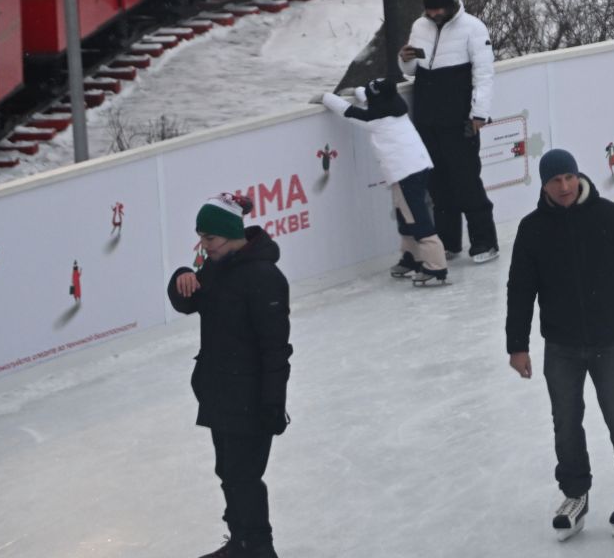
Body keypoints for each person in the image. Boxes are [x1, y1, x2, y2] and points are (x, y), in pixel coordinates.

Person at [505, 148, 614, 540]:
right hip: (561, 344)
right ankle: (575, 493)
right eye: (554, 181)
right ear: (544, 185)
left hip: (610, 339)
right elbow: (520, 289)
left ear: (578, 177)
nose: (563, 187)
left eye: (568, 178)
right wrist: (518, 344)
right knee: (565, 422)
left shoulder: (609, 217)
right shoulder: (532, 229)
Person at [169, 196, 292, 558]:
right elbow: (187, 302)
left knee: (244, 477)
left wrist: (273, 404)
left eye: (209, 239)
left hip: (251, 397)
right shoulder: (214, 267)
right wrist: (182, 277)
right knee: (228, 472)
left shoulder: (265, 278)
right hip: (219, 390)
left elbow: (275, 349)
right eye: (201, 239)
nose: (204, 247)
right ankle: (240, 541)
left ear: (230, 235)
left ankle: (259, 548)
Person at [402, 0, 499, 263]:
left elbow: (484, 74)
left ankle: (484, 242)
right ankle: (448, 242)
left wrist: (478, 114)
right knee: (438, 185)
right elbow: (410, 71)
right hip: (427, 117)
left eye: (438, 9)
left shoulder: (473, 28)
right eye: (429, 10)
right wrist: (404, 58)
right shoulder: (420, 26)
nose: (433, 15)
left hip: (460, 121)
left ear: (448, 4)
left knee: (467, 181)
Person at [322, 77, 446, 285]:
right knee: (404, 215)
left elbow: (349, 112)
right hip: (415, 168)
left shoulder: (376, 119)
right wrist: (361, 91)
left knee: (416, 217)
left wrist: (327, 98)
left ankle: (436, 266)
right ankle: (412, 258)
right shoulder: (396, 107)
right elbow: (374, 101)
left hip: (406, 172)